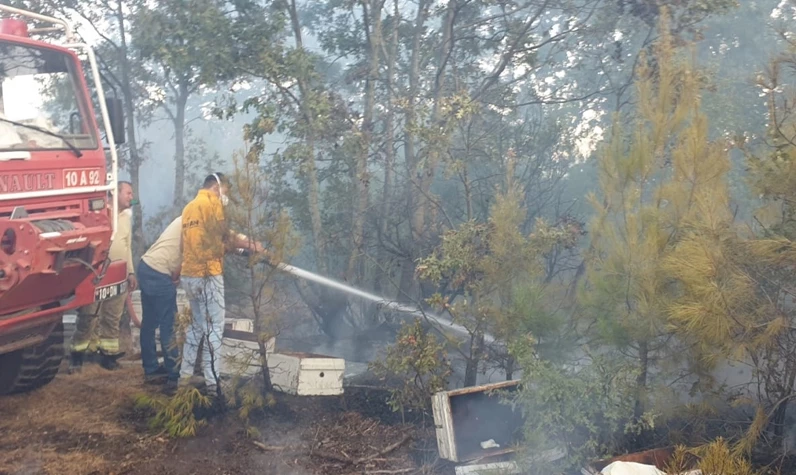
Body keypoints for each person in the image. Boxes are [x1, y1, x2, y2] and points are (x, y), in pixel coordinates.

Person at [179, 173, 265, 393]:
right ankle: (212, 383)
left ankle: (184, 377)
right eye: (225, 190)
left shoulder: (189, 207)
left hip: (189, 273)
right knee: (215, 329)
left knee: (196, 327)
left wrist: (237, 248)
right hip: (209, 274)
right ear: (217, 187)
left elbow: (190, 242)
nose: (226, 196)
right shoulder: (212, 203)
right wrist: (251, 246)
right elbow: (224, 236)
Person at [69, 181, 137, 371]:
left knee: (112, 317)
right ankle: (77, 356)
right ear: (115, 194)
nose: (131, 197)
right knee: (88, 315)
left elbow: (127, 247)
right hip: (96, 274)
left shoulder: (125, 218)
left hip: (119, 275)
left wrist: (130, 272)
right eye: (128, 193)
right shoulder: (98, 216)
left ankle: (107, 357)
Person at [137, 216, 182, 389]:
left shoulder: (182, 218)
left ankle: (151, 369)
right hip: (160, 272)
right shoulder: (196, 222)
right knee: (168, 323)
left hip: (146, 265)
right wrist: (176, 274)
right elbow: (187, 251)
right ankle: (174, 375)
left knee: (149, 322)